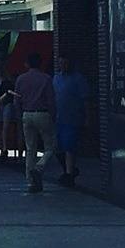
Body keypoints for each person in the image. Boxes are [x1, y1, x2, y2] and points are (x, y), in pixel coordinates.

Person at [12, 52, 56, 193]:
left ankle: (31, 182)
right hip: (43, 113)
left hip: (27, 114)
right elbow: (51, 100)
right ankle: (39, 166)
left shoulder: (21, 79)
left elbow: (16, 100)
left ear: (27, 64)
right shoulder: (46, 79)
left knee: (30, 148)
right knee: (50, 147)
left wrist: (19, 115)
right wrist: (54, 116)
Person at [52, 51, 90, 186]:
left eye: (65, 63)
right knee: (57, 147)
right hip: (59, 118)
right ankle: (69, 169)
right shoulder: (56, 79)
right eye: (61, 63)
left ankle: (69, 174)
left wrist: (87, 117)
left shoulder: (78, 79)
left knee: (69, 146)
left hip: (73, 118)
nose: (63, 65)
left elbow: (85, 100)